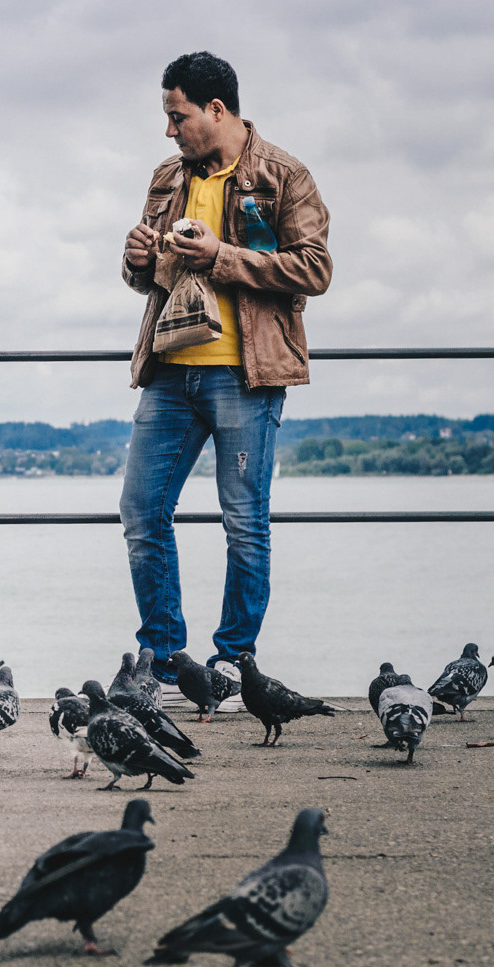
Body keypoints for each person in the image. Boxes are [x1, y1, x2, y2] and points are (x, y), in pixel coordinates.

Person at [118, 52, 332, 685]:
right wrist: (135, 259)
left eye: (176, 115)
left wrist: (221, 256)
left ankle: (233, 659)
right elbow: (147, 279)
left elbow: (314, 270)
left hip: (246, 374)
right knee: (139, 511)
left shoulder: (285, 175)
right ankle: (164, 657)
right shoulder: (167, 175)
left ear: (216, 109)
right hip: (168, 372)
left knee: (244, 521)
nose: (169, 130)